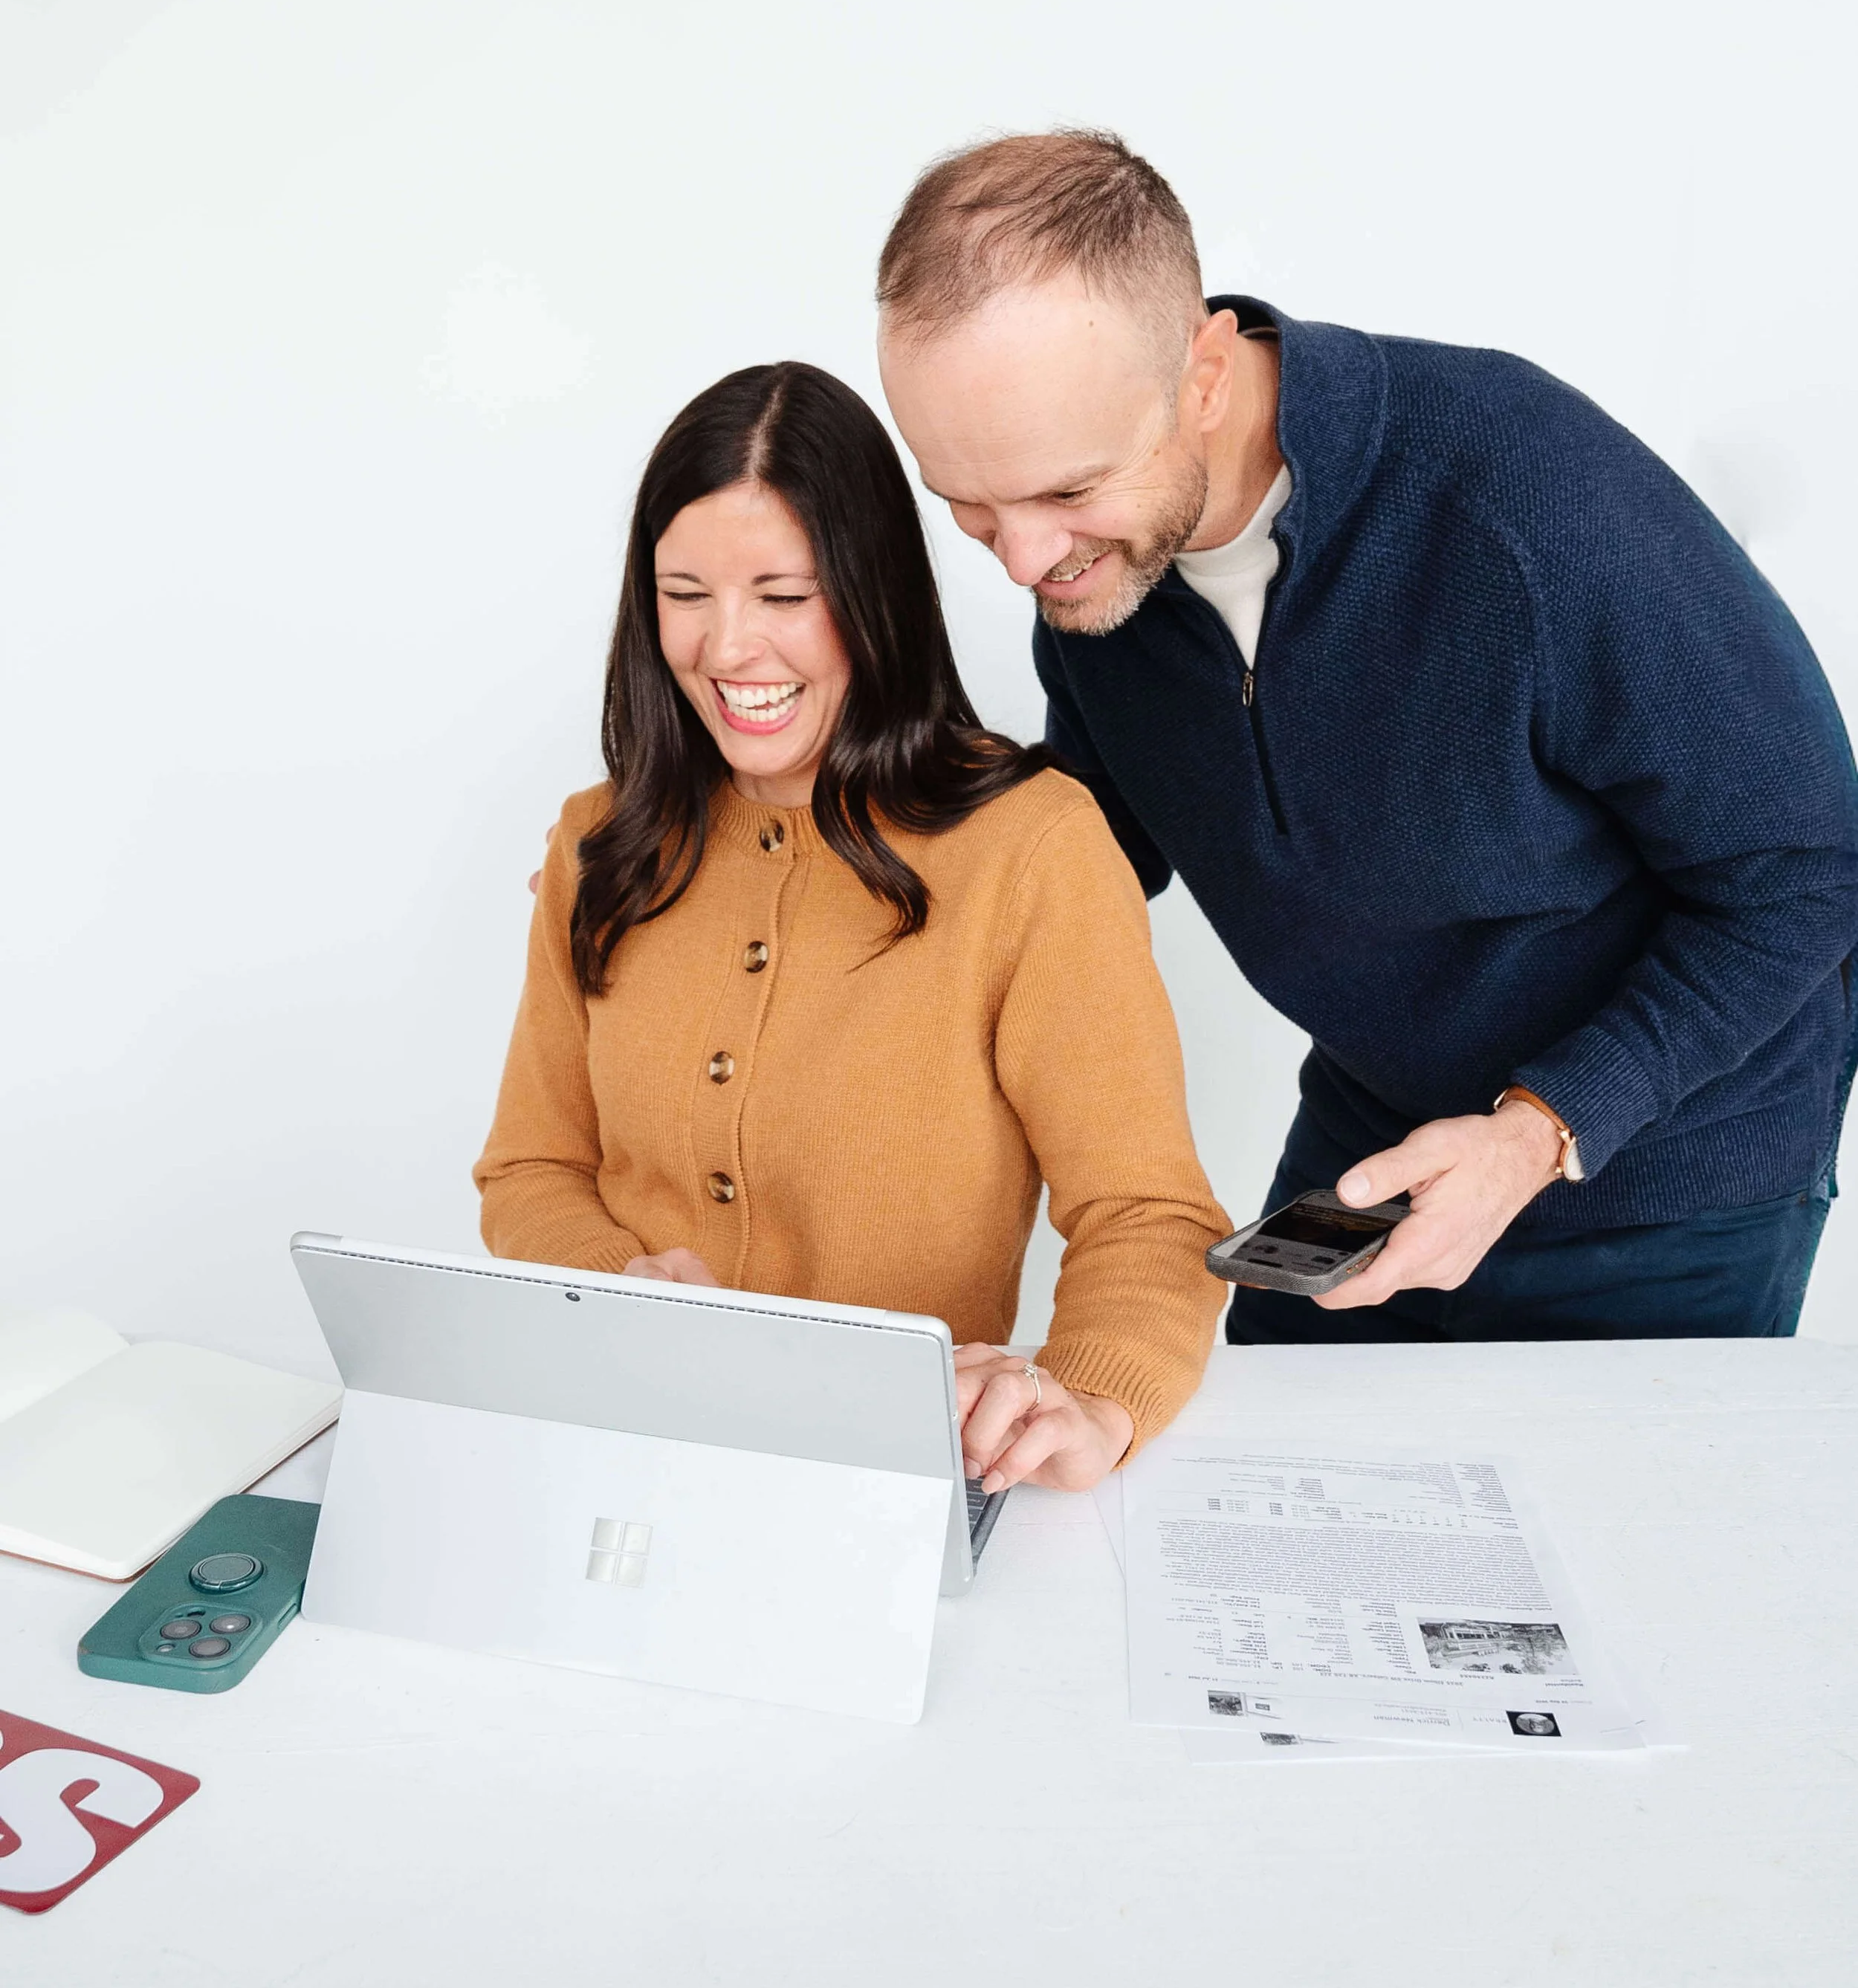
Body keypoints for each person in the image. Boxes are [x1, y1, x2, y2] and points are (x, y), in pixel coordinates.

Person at [876, 130, 1858, 1342]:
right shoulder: (1098, 588)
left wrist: (1545, 1127)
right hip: (1376, 1141)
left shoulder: (1527, 494)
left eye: (1069, 490)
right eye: (969, 504)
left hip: (1668, 1169)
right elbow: (1085, 853)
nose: (1025, 558)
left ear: (1204, 375)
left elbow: (1810, 868)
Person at [476, 360, 1228, 1492]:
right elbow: (532, 1167)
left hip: (891, 1487)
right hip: (614, 1452)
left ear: (873, 593)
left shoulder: (1031, 847)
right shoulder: (598, 845)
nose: (729, 649)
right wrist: (618, 1279)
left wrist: (1092, 1396)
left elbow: (1147, 1211)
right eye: (685, 593)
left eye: (784, 597)